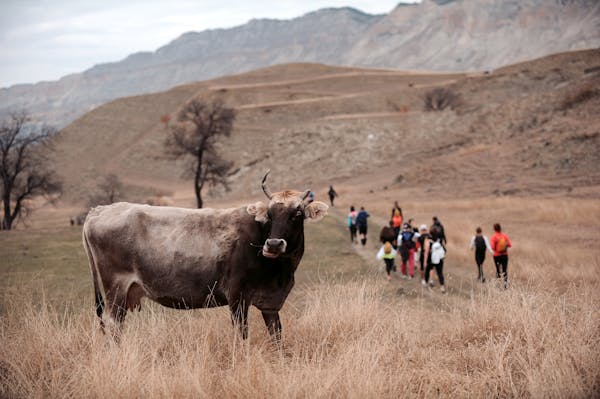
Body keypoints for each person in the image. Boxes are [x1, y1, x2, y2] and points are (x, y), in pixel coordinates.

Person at [424, 225, 446, 293]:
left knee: (428, 271)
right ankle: (442, 287)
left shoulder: (429, 240)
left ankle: (427, 283)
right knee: (440, 273)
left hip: (431, 259)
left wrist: (425, 261)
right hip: (439, 259)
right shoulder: (440, 240)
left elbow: (427, 251)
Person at [490, 223, 512, 288]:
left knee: (498, 270)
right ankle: (505, 284)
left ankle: (498, 284)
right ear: (500, 228)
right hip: (505, 255)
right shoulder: (504, 236)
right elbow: (510, 245)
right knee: (504, 270)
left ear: (494, 229)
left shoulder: (493, 237)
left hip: (497, 255)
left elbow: (492, 247)